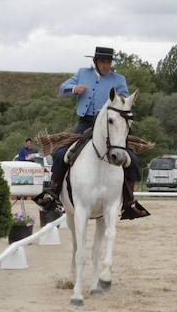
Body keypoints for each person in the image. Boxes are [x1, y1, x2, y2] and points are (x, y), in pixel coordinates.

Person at [34, 46, 149, 219]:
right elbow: (63, 88)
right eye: (103, 62)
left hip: (109, 125)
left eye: (108, 62)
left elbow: (124, 100)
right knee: (60, 154)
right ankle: (53, 194)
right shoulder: (82, 73)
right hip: (85, 123)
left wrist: (110, 109)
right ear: (95, 61)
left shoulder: (119, 79)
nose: (106, 65)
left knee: (131, 159)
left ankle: (129, 202)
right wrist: (74, 89)